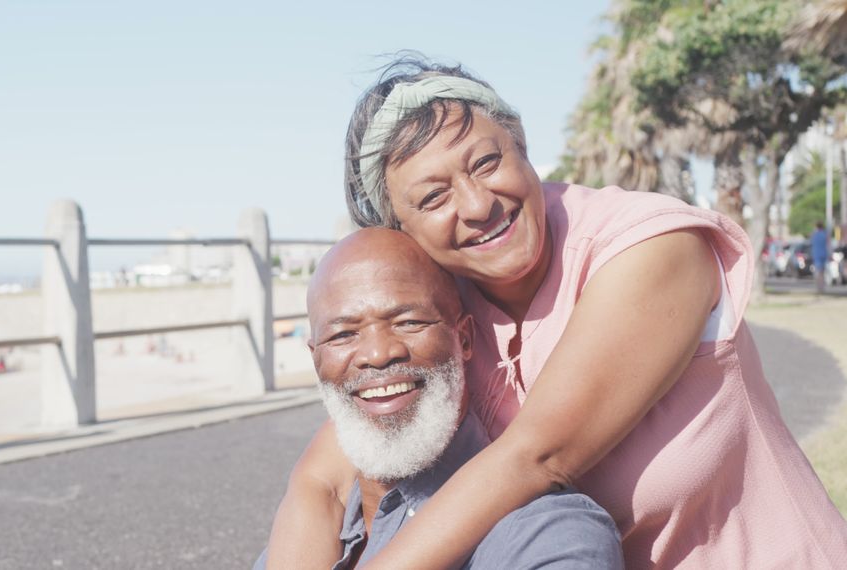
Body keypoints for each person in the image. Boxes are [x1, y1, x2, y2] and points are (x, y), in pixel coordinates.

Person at [265, 57, 847, 569]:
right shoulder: (451, 304)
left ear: (519, 141)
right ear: (405, 233)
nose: (477, 204)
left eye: (486, 161)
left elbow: (538, 456)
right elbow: (321, 478)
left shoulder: (651, 248)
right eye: (433, 197)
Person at [256, 228, 623, 569]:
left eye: (408, 322)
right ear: (315, 357)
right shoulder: (309, 530)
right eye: (342, 335)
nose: (378, 353)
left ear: (463, 339)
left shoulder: (543, 534)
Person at [813, 221, 830, 294]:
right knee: (822, 272)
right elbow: (828, 245)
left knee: (818, 272)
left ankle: (818, 288)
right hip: (824, 255)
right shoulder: (825, 234)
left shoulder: (815, 235)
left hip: (817, 255)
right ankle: (822, 288)